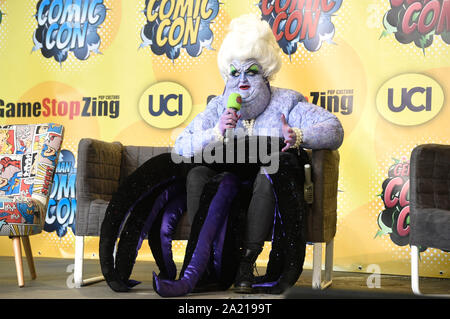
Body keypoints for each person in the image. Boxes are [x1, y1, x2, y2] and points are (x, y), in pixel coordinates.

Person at [173, 13, 343, 293]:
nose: (241, 81)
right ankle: (204, 264)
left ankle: (246, 264)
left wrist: (299, 135)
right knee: (198, 174)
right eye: (234, 73)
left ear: (265, 74)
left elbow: (334, 129)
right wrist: (216, 131)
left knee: (271, 170)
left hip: (271, 187)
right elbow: (181, 145)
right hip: (231, 186)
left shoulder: (286, 101)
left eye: (250, 72)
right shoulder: (218, 106)